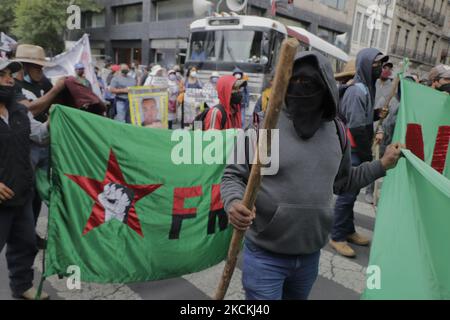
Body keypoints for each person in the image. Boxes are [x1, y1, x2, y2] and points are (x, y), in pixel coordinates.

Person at [221, 51, 403, 300]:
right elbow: (233, 176)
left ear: (326, 86)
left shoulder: (337, 131)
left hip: (309, 257)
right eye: (294, 81)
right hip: (265, 257)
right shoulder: (263, 127)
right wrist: (234, 203)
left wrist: (382, 164)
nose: (301, 89)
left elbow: (344, 181)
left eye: (310, 84)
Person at [329, 48, 389, 258]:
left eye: (381, 64)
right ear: (365, 65)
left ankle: (348, 229)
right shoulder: (357, 91)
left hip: (357, 148)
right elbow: (355, 126)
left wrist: (374, 115)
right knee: (347, 194)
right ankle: (337, 236)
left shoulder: (365, 88)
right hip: (352, 149)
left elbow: (362, 118)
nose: (380, 68)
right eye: (376, 64)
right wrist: (365, 152)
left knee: (352, 194)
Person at [0, 59, 50, 300]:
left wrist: (57, 121)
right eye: (2, 75)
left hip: (22, 194)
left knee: (25, 244)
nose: (10, 79)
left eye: (10, 74)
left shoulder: (19, 110)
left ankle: (22, 286)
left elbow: (39, 135)